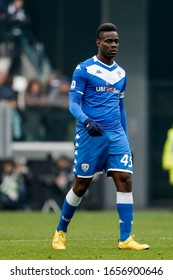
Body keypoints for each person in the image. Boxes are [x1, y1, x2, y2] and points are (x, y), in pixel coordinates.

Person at [52, 23, 149, 250]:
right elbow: (73, 104)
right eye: (108, 41)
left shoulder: (121, 73)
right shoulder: (83, 69)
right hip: (90, 135)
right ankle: (60, 232)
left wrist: (126, 141)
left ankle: (125, 238)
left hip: (116, 135)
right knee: (81, 186)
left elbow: (120, 108)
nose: (113, 45)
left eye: (116, 41)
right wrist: (86, 121)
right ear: (99, 42)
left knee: (124, 179)